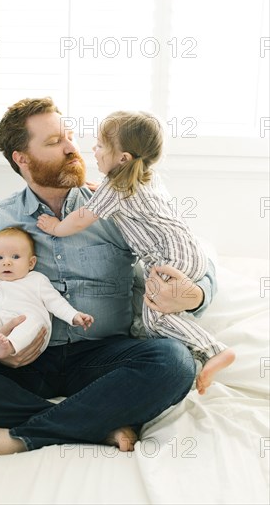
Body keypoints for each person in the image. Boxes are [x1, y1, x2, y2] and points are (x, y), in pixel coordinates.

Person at [0, 97, 217, 458]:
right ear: (22, 158)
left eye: (68, 136)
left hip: (103, 357)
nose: (72, 148)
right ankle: (95, 423)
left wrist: (194, 296)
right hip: (22, 357)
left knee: (173, 362)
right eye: (54, 142)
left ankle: (18, 436)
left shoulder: (116, 203)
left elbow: (194, 263)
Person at [37, 110, 235, 394]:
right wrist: (100, 190)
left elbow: (82, 217)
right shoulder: (142, 179)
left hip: (171, 259)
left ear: (123, 159)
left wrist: (56, 228)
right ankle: (197, 354)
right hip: (187, 251)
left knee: (155, 316)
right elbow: (118, 201)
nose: (93, 149)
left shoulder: (114, 188)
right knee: (157, 319)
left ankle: (214, 350)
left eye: (101, 145)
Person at [0, 226, 94, 360]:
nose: (6, 262)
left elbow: (55, 302)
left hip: (32, 331)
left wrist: (73, 316)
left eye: (15, 257)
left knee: (34, 319)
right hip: (2, 328)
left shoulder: (36, 279)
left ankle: (10, 346)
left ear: (31, 263)